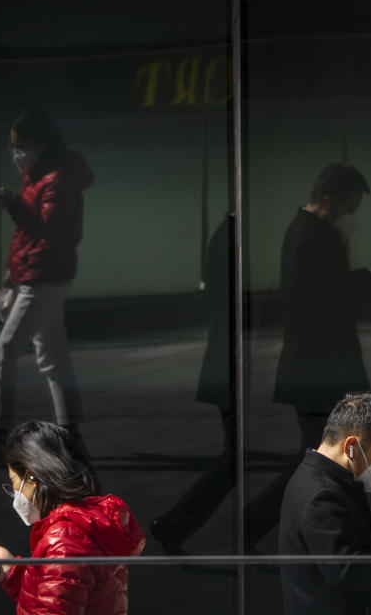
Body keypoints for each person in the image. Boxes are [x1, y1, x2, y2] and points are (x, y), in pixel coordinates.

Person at [243, 163, 371, 550]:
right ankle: (256, 523)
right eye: (349, 207)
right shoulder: (314, 237)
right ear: (329, 201)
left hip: (313, 365)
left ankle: (276, 526)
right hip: (320, 368)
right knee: (317, 460)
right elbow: (323, 302)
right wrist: (365, 282)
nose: (351, 216)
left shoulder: (305, 232)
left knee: (318, 458)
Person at [0, 109, 94, 466]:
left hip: (44, 279)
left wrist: (13, 204)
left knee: (1, 355)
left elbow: (47, 228)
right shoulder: (38, 177)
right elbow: (29, 234)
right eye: (13, 147)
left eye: (22, 146)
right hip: (39, 275)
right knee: (53, 357)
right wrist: (13, 271)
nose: (16, 154)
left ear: (41, 144)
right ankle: (73, 437)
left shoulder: (58, 181)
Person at [278, 392, 371, 615]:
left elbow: (347, 554)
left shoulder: (315, 478)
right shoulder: (322, 495)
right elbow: (345, 571)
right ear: (351, 445)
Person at [0, 421, 145, 614]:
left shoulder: (64, 540)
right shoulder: (87, 524)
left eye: (13, 482)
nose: (14, 492)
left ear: (31, 478)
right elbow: (58, 592)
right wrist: (11, 572)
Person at [150, 212, 237, 554]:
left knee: (235, 460)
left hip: (226, 363)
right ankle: (174, 525)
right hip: (230, 366)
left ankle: (174, 525)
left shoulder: (224, 235)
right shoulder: (233, 239)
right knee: (234, 461)